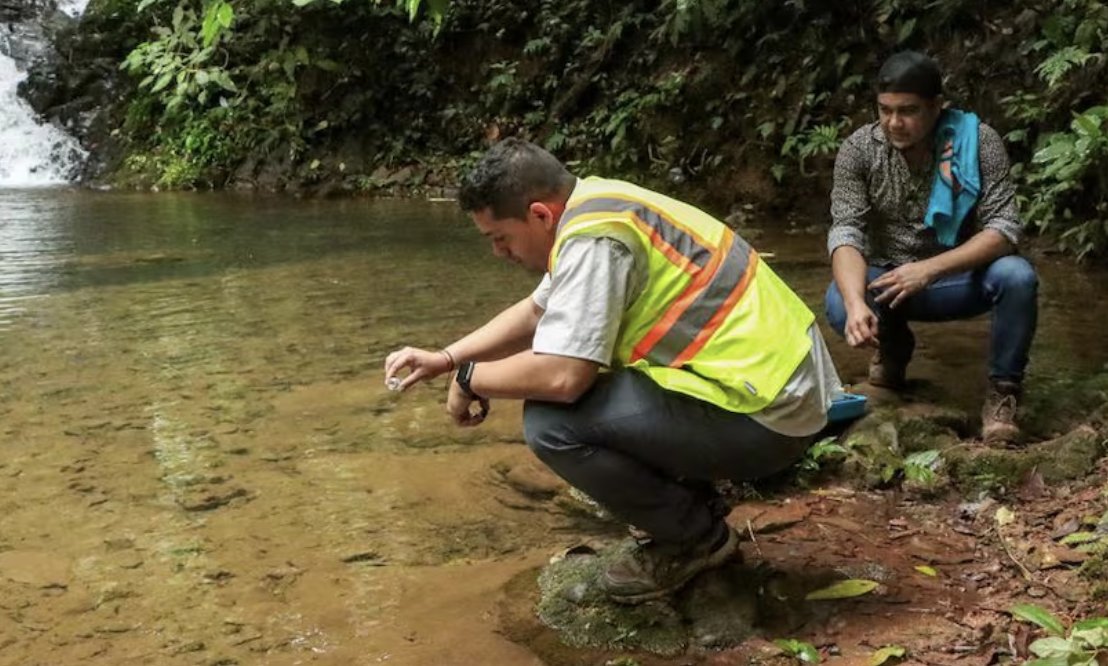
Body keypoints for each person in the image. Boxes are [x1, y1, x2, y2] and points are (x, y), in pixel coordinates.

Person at [384, 138, 841, 603]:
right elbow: (536, 313)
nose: (499, 252)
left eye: (500, 237)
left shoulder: (593, 240)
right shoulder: (597, 205)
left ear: (540, 215)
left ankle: (695, 539)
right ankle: (693, 507)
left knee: (551, 423)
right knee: (596, 394)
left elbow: (564, 377)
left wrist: (471, 380)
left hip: (766, 414)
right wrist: (446, 359)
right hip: (775, 392)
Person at [825, 51, 1038, 445]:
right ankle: (892, 348)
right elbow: (846, 232)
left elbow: (1005, 230)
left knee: (1018, 276)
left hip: (955, 280)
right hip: (890, 282)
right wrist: (857, 304)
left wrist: (930, 269)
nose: (894, 122)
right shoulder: (859, 150)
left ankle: (1003, 393)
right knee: (840, 302)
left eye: (908, 111)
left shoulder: (978, 142)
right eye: (885, 110)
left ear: (937, 107)